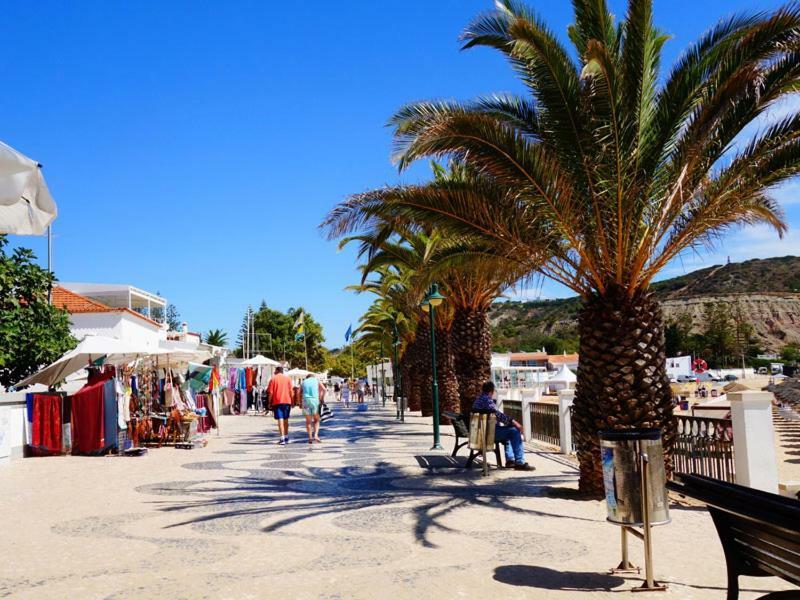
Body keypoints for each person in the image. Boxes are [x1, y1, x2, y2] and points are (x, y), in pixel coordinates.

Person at [472, 381, 534, 471]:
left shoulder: (478, 399)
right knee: (514, 431)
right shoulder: (487, 400)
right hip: (488, 433)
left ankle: (510, 460)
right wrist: (515, 423)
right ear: (491, 392)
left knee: (509, 431)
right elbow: (499, 415)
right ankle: (519, 462)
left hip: (479, 432)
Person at [267, 366, 294, 445]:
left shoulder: (273, 379)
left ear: (277, 371)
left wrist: (269, 402)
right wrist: (292, 401)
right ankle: (286, 437)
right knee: (286, 419)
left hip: (277, 401)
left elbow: (271, 393)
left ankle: (282, 438)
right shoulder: (288, 379)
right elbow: (291, 391)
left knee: (280, 420)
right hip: (287, 401)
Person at [302, 373, 322, 444]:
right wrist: (321, 398)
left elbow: (298, 392)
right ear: (313, 377)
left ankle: (310, 437)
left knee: (308, 421)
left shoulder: (303, 382)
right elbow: (324, 389)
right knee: (316, 419)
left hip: (305, 401)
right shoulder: (316, 380)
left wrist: (299, 402)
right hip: (315, 401)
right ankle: (316, 435)